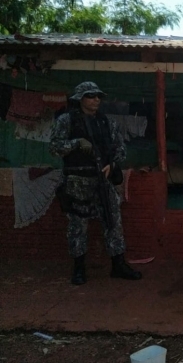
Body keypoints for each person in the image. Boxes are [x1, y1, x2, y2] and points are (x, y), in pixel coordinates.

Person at [50, 81, 142, 285]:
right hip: (77, 180)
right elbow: (54, 147)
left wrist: (112, 164)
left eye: (98, 96)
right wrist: (76, 143)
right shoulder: (67, 120)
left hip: (103, 179)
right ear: (80, 99)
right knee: (78, 226)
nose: (96, 100)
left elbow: (120, 149)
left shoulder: (107, 122)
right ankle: (79, 268)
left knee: (113, 221)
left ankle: (118, 264)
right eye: (91, 96)